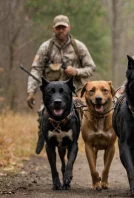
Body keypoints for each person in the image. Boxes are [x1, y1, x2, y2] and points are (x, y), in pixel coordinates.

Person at [26, 15, 96, 154]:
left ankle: (79, 141)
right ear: (54, 29)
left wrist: (75, 71)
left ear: (68, 27)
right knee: (43, 114)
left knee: (79, 116)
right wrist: (31, 92)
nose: (61, 30)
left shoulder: (78, 47)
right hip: (52, 94)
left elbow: (91, 68)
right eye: (58, 28)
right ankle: (44, 136)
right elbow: (36, 69)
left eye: (63, 27)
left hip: (74, 92)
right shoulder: (46, 47)